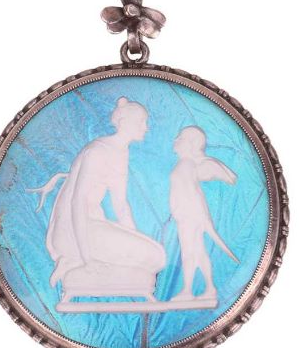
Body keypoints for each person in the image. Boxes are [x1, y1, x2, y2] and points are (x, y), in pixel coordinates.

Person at [29, 97, 166, 289]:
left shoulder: (121, 151)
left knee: (157, 257)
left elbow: (120, 205)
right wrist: (87, 258)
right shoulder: (97, 152)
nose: (146, 127)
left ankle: (92, 263)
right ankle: (74, 259)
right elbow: (77, 202)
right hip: (74, 233)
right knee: (154, 256)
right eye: (142, 122)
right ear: (124, 123)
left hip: (94, 226)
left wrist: (132, 236)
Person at [169, 126, 239, 302]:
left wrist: (184, 212)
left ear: (192, 144)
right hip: (190, 215)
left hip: (188, 216)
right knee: (198, 251)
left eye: (181, 137)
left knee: (189, 252)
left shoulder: (185, 164)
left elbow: (192, 192)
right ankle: (209, 289)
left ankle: (187, 290)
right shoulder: (187, 164)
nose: (176, 140)